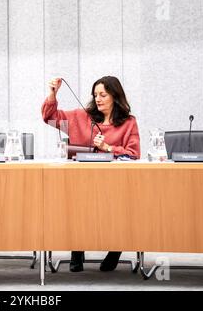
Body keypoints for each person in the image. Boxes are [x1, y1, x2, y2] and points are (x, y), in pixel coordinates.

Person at [41, 75, 140, 272]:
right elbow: (49, 117)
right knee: (76, 203)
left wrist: (108, 147)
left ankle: (115, 250)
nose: (98, 99)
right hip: (81, 182)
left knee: (119, 207)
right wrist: (53, 94)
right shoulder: (81, 116)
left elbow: (134, 154)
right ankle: (77, 250)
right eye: (95, 95)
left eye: (103, 94)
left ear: (115, 96)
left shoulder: (128, 123)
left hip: (113, 184)